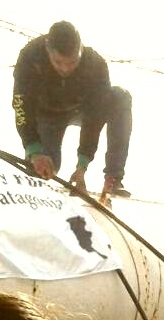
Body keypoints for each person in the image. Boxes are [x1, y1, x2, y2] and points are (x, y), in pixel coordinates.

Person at [12, 20, 132, 198]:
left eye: (72, 62)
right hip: (46, 115)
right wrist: (34, 151)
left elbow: (95, 116)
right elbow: (22, 106)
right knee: (43, 171)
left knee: (120, 97)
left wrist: (82, 165)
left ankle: (113, 178)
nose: (66, 69)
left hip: (80, 110)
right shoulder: (30, 56)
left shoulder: (96, 65)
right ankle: (34, 171)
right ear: (48, 49)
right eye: (58, 62)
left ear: (80, 49)